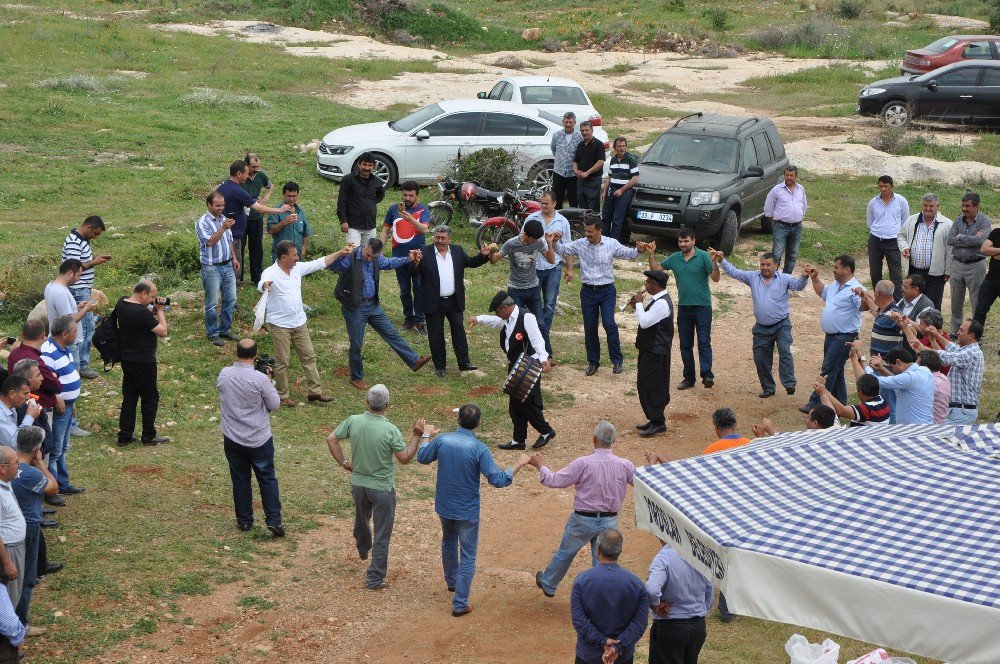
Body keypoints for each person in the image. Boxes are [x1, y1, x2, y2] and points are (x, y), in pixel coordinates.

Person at [416, 404, 531, 617]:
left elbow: (422, 457)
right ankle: (460, 603)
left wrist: (425, 435)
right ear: (478, 424)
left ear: (458, 420)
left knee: (448, 541)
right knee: (468, 554)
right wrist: (519, 463)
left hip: (444, 505)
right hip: (466, 510)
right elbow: (498, 480)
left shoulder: (442, 440)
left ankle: (452, 582)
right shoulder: (479, 449)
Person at [326, 385, 426, 590]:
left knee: (361, 518)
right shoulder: (390, 430)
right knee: (382, 534)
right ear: (387, 405)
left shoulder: (354, 421)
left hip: (359, 484)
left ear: (367, 402)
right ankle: (374, 578)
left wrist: (344, 463)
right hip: (382, 489)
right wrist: (416, 435)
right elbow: (405, 458)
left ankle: (363, 547)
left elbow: (332, 439)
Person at [528, 421, 635, 598]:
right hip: (610, 520)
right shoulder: (624, 465)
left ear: (594, 439)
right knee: (604, 561)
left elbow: (555, 481)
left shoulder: (583, 463)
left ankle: (548, 583)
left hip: (582, 519)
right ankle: (601, 596)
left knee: (566, 553)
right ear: (613, 440)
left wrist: (540, 466)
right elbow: (643, 484)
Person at [553, 214, 653, 375]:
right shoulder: (581, 244)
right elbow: (562, 250)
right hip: (588, 291)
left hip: (606, 290)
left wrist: (639, 250)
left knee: (609, 323)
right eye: (585, 231)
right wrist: (555, 241)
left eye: (590, 231)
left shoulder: (611, 244)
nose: (587, 234)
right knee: (590, 327)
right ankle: (593, 362)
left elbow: (629, 253)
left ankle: (617, 361)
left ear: (599, 231)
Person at [327, 238, 431, 390]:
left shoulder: (376, 258)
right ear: (364, 246)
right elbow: (334, 268)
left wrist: (409, 258)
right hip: (354, 307)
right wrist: (340, 255)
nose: (369, 259)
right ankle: (356, 377)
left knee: (392, 334)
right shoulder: (351, 257)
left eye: (373, 257)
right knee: (356, 344)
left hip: (373, 305)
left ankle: (414, 361)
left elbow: (388, 263)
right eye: (368, 255)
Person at [259, 242, 349, 406]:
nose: (297, 258)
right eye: (294, 255)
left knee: (309, 356)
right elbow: (263, 282)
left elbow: (319, 263)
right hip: (279, 325)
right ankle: (282, 395)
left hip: (299, 323)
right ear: (284, 257)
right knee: (282, 362)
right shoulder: (270, 272)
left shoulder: (297, 268)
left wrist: (340, 253)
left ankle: (315, 392)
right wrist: (264, 285)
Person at [710, 249, 808, 398]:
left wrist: (804, 276)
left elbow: (798, 285)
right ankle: (768, 388)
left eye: (768, 265)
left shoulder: (785, 278)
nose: (765, 267)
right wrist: (722, 260)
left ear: (776, 265)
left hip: (782, 324)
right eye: (762, 264)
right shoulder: (752, 277)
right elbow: (734, 272)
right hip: (761, 326)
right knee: (760, 358)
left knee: (784, 350)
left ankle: (789, 383)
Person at [470, 291, 555, 450]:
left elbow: (537, 339)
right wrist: (479, 319)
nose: (498, 315)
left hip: (529, 364)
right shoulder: (507, 319)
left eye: (498, 311)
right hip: (516, 366)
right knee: (516, 404)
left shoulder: (526, 317)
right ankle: (519, 439)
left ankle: (546, 430)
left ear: (506, 308)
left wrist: (544, 358)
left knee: (526, 402)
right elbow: (494, 321)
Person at [217, 339, 283, 536]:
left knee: (240, 479)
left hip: (232, 436)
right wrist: (269, 380)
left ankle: (244, 520)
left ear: (236, 352)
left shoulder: (224, 373)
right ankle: (273, 519)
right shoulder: (260, 379)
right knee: (267, 478)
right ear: (255, 355)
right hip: (258, 438)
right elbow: (275, 404)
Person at [408, 226, 491, 377]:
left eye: (443, 238)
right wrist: (415, 262)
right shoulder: (424, 253)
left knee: (459, 331)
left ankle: (464, 362)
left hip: (454, 300)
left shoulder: (457, 250)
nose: (439, 241)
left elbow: (471, 262)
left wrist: (483, 255)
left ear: (449, 239)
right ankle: (440, 366)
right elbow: (413, 273)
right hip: (433, 302)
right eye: (437, 237)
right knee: (436, 335)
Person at [649, 228, 718, 390]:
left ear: (693, 241)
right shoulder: (675, 258)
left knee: (703, 342)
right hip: (684, 308)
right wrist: (651, 253)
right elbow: (655, 270)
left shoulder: (703, 257)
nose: (683, 244)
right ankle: (689, 378)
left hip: (703, 307)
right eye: (680, 241)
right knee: (685, 345)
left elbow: (715, 278)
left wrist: (714, 262)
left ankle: (707, 375)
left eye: (686, 241)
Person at [570, 529, 648, 664]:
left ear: (598, 549)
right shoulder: (637, 585)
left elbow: (579, 620)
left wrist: (602, 641)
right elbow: (639, 624)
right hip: (622, 658)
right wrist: (617, 646)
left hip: (588, 656)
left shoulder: (581, 581)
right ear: (620, 551)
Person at [800, 255, 862, 413]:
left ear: (847, 269)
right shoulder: (835, 285)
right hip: (832, 336)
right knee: (837, 370)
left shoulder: (856, 289)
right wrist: (815, 279)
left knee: (828, 370)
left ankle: (815, 403)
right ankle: (840, 403)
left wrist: (863, 296)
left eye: (836, 267)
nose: (833, 270)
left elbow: (864, 307)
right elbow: (822, 292)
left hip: (844, 337)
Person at [43, 258, 96, 439]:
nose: (78, 279)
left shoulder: (51, 286)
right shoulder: (62, 293)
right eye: (78, 275)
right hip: (67, 342)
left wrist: (77, 306)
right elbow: (69, 321)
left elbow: (64, 313)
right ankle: (71, 424)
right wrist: (87, 308)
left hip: (57, 338)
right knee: (69, 381)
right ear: (70, 272)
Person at [113, 280, 170, 447]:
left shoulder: (122, 303)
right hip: (144, 361)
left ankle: (125, 435)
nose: (153, 300)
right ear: (143, 293)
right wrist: (160, 311)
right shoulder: (141, 313)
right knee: (150, 397)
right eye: (152, 296)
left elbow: (136, 319)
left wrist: (151, 311)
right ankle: (148, 435)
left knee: (129, 398)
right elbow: (163, 331)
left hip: (127, 359)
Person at [11, 426, 56, 635]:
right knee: (27, 577)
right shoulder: (30, 474)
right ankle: (20, 623)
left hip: (9, 527)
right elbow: (53, 487)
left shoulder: (9, 468)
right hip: (27, 527)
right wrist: (39, 463)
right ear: (37, 448)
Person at [215, 160, 289, 285]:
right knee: (234, 267)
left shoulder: (222, 187)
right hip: (234, 235)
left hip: (222, 233)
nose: (248, 176)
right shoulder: (237, 191)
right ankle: (232, 297)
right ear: (239, 174)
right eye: (246, 173)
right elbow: (259, 208)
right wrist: (279, 210)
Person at [646, 540, 715, 664]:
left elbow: (652, 590)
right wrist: (700, 610)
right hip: (697, 627)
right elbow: (710, 589)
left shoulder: (663, 558)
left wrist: (655, 605)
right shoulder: (699, 555)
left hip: (671, 626)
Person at [60, 215, 110, 380]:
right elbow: (74, 267)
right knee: (87, 327)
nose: (95, 237)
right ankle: (81, 365)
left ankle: (79, 363)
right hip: (78, 289)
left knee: (83, 327)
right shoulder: (75, 242)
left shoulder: (82, 240)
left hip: (83, 288)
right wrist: (94, 262)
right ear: (88, 227)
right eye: (95, 233)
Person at [40, 316, 84, 497]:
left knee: (64, 446)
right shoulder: (48, 352)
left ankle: (63, 482)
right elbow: (46, 381)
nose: (77, 334)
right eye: (74, 331)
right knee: (55, 449)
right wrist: (58, 398)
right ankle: (53, 488)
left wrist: (71, 402)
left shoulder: (63, 349)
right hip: (59, 407)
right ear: (65, 334)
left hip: (67, 406)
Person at [626, 271, 673, 437]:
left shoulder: (661, 303)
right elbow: (646, 319)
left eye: (648, 282)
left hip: (656, 351)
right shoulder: (657, 300)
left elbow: (645, 323)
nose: (645, 286)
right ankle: (654, 419)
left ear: (655, 285)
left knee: (652, 385)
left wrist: (639, 303)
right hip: (650, 349)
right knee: (646, 384)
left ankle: (658, 422)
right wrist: (635, 307)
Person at [379, 180, 430, 335]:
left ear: (417, 196)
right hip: (399, 257)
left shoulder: (423, 210)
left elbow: (424, 230)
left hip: (418, 257)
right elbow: (385, 229)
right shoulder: (394, 209)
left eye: (411, 195)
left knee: (419, 289)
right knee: (404, 290)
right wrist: (379, 248)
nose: (407, 198)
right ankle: (409, 319)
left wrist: (411, 219)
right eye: (405, 195)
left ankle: (420, 321)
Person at [527, 192, 573, 357]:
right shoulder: (532, 218)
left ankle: (541, 339)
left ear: (554, 203)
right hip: (534, 267)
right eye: (542, 203)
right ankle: (540, 343)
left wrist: (569, 269)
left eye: (547, 203)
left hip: (553, 268)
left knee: (550, 304)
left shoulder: (563, 222)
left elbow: (567, 248)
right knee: (534, 304)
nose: (543, 206)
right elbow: (523, 240)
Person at [849, 342, 934, 425]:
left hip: (914, 431)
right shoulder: (924, 370)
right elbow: (896, 380)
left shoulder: (909, 378)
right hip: (925, 426)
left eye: (892, 367)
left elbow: (873, 380)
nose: (893, 370)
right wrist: (881, 368)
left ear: (899, 362)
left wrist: (861, 356)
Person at [489, 218, 555, 321]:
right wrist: (492, 251)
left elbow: (551, 260)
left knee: (540, 323)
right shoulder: (511, 243)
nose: (536, 241)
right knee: (517, 322)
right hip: (515, 289)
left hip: (533, 288)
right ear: (526, 234)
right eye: (534, 238)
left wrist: (550, 243)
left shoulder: (538, 242)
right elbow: (494, 260)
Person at [197, 192, 240, 347]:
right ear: (209, 205)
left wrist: (234, 258)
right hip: (211, 268)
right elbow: (209, 242)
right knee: (212, 302)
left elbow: (229, 242)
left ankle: (225, 329)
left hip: (227, 265)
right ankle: (212, 333)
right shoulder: (203, 222)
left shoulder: (224, 220)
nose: (221, 208)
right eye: (218, 205)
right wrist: (222, 228)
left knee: (231, 299)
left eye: (223, 205)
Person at [923, 319, 984, 424]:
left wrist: (922, 348)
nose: (957, 333)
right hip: (957, 411)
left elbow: (946, 358)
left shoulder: (972, 353)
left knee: (943, 439)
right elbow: (952, 348)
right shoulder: (966, 350)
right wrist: (936, 336)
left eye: (961, 330)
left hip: (961, 412)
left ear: (971, 335)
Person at [898, 193, 952, 310]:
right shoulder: (911, 220)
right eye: (925, 205)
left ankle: (932, 328)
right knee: (912, 303)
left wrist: (948, 270)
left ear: (938, 206)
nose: (927, 208)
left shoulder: (947, 224)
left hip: (935, 274)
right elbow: (901, 236)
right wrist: (904, 247)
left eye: (931, 206)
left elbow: (950, 249)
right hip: (914, 271)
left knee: (932, 305)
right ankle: (912, 327)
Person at [948, 192, 991, 334]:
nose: (964, 209)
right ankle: (956, 332)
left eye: (967, 206)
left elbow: (981, 241)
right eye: (963, 205)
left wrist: (961, 237)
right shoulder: (958, 220)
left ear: (976, 206)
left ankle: (975, 334)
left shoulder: (984, 221)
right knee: (955, 301)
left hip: (976, 265)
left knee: (977, 302)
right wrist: (971, 238)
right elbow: (950, 239)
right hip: (957, 264)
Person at [866, 175, 909, 300]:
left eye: (886, 186)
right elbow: (870, 221)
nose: (883, 189)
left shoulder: (901, 201)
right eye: (881, 186)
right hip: (876, 239)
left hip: (893, 241)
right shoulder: (873, 202)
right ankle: (878, 298)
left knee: (895, 273)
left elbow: (905, 221)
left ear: (892, 186)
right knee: (875, 272)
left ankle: (898, 300)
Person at [238, 153, 274, 285]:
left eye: (258, 166)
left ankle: (257, 278)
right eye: (253, 166)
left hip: (257, 217)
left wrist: (265, 198)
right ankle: (238, 278)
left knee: (257, 247)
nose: (256, 169)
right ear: (246, 165)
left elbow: (270, 186)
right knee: (239, 247)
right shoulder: (240, 176)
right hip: (241, 218)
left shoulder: (261, 175)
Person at [765, 165, 808, 274]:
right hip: (781, 226)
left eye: (791, 175)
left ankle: (786, 279)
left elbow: (804, 204)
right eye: (787, 175)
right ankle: (773, 278)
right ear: (784, 175)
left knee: (792, 255)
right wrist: (774, 220)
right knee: (777, 254)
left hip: (797, 227)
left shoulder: (801, 189)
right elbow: (768, 206)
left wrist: (800, 216)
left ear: (796, 176)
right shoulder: (777, 190)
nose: (788, 177)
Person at [337, 152, 385, 247]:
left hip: (370, 226)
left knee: (368, 254)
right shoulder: (348, 180)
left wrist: (371, 202)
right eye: (364, 164)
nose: (367, 168)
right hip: (353, 226)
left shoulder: (377, 182)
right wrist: (343, 221)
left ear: (373, 166)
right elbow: (342, 201)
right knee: (354, 253)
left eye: (370, 165)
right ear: (359, 164)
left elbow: (381, 195)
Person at [0, 447, 26, 610]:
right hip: (8, 550)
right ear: (2, 467)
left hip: (15, 547)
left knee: (14, 595)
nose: (19, 465)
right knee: (7, 601)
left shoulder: (6, 484)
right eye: (16, 462)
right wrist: (7, 563)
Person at [813, 373, 890, 427]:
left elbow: (841, 411)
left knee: (833, 424)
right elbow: (861, 376)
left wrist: (824, 390)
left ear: (860, 393)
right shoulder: (883, 401)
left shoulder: (866, 409)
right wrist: (854, 358)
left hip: (861, 442)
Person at [601, 137, 639, 241]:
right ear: (615, 148)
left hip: (624, 191)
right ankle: (604, 240)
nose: (622, 148)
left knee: (617, 219)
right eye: (619, 146)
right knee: (606, 216)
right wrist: (604, 191)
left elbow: (635, 178)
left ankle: (613, 243)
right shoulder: (613, 160)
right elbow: (609, 176)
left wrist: (621, 190)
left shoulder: (630, 159)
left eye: (623, 146)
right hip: (612, 189)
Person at [266, 181, 312, 263]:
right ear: (283, 195)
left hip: (297, 256)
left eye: (294, 196)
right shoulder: (276, 211)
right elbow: (270, 230)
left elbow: (306, 232)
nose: (291, 199)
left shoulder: (300, 211)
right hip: (282, 256)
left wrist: (304, 247)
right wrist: (284, 222)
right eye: (289, 196)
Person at [855, 280, 904, 357]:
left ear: (878, 293)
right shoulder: (885, 311)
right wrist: (866, 298)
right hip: (879, 364)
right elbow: (878, 314)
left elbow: (909, 329)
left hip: (887, 366)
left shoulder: (893, 313)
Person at [973, 211, 1000, 331]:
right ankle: (975, 340)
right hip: (991, 280)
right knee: (980, 310)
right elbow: (984, 249)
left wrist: (994, 252)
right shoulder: (997, 232)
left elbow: (990, 251)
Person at [550, 111, 582, 209]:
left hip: (573, 174)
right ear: (563, 122)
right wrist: (560, 160)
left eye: (570, 122)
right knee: (557, 199)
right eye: (566, 122)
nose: (568, 124)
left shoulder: (579, 136)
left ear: (574, 123)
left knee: (573, 199)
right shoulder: (556, 135)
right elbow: (553, 149)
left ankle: (574, 221)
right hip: (559, 172)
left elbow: (580, 153)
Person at [573, 121, 606, 212]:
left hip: (593, 182)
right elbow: (575, 161)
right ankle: (584, 226)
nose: (584, 133)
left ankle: (594, 226)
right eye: (582, 130)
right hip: (580, 182)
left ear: (592, 130)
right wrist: (576, 171)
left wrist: (587, 173)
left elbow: (600, 162)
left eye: (587, 130)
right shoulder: (580, 145)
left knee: (592, 211)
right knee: (582, 210)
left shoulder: (599, 145)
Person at [0, 377, 40, 450]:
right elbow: (15, 443)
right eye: (25, 394)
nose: (28, 397)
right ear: (12, 393)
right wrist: (30, 416)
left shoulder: (12, 407)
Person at [916, 350, 950, 424]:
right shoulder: (944, 378)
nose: (915, 368)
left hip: (930, 426)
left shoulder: (929, 382)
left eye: (917, 365)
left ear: (925, 368)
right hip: (941, 422)